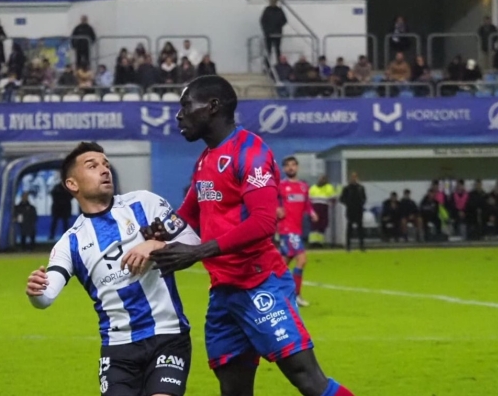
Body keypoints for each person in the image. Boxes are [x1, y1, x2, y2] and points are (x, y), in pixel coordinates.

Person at [149, 76, 354, 396]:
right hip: (224, 294)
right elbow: (189, 213)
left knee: (308, 380)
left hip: (260, 283)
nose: (179, 115)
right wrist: (160, 232)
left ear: (212, 107)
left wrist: (198, 252)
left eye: (186, 106)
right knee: (233, 389)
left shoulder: (250, 150)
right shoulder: (205, 159)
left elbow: (263, 223)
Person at [24, 141, 200, 396]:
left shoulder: (144, 203)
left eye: (106, 164)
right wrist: (36, 291)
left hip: (168, 336)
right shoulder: (70, 243)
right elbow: (46, 297)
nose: (104, 170)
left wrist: (154, 244)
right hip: (118, 350)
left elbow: (193, 241)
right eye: (92, 166)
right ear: (72, 184)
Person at [277, 157, 318, 307]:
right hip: (287, 229)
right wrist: (276, 209)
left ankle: (270, 291)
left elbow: (307, 203)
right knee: (302, 259)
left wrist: (312, 212)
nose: (291, 168)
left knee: (281, 264)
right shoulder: (280, 186)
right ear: (283, 169)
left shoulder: (303, 186)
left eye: (293, 165)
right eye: (287, 166)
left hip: (297, 228)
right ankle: (296, 295)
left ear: (297, 167)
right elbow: (272, 201)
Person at [339, 172, 367, 252]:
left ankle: (362, 246)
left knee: (360, 229)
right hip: (350, 210)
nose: (353, 179)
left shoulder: (361, 188)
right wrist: (348, 203)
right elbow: (341, 199)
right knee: (349, 228)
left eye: (355, 177)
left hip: (359, 210)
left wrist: (361, 203)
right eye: (352, 177)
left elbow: (364, 198)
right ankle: (348, 246)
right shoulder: (347, 188)